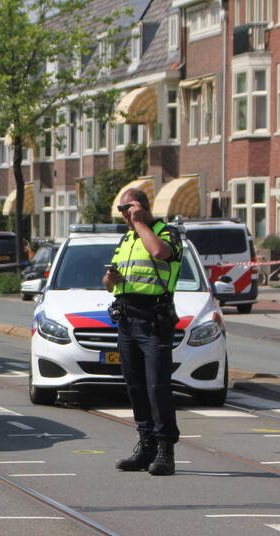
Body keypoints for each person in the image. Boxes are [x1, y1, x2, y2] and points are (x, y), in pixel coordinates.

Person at [103, 189, 183, 476]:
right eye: (122, 211)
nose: (125, 215)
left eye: (129, 209)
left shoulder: (166, 232)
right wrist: (110, 279)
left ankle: (165, 450)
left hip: (153, 321)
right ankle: (146, 444)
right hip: (127, 320)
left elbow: (160, 252)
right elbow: (109, 285)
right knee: (135, 386)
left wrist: (140, 222)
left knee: (157, 387)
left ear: (144, 208)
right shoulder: (127, 239)